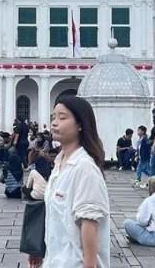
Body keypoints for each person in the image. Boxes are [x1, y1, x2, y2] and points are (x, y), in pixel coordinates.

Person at [29, 95, 110, 268]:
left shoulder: (85, 168)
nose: (54, 123)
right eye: (54, 117)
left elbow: (89, 224)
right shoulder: (59, 163)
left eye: (62, 117)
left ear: (80, 124)